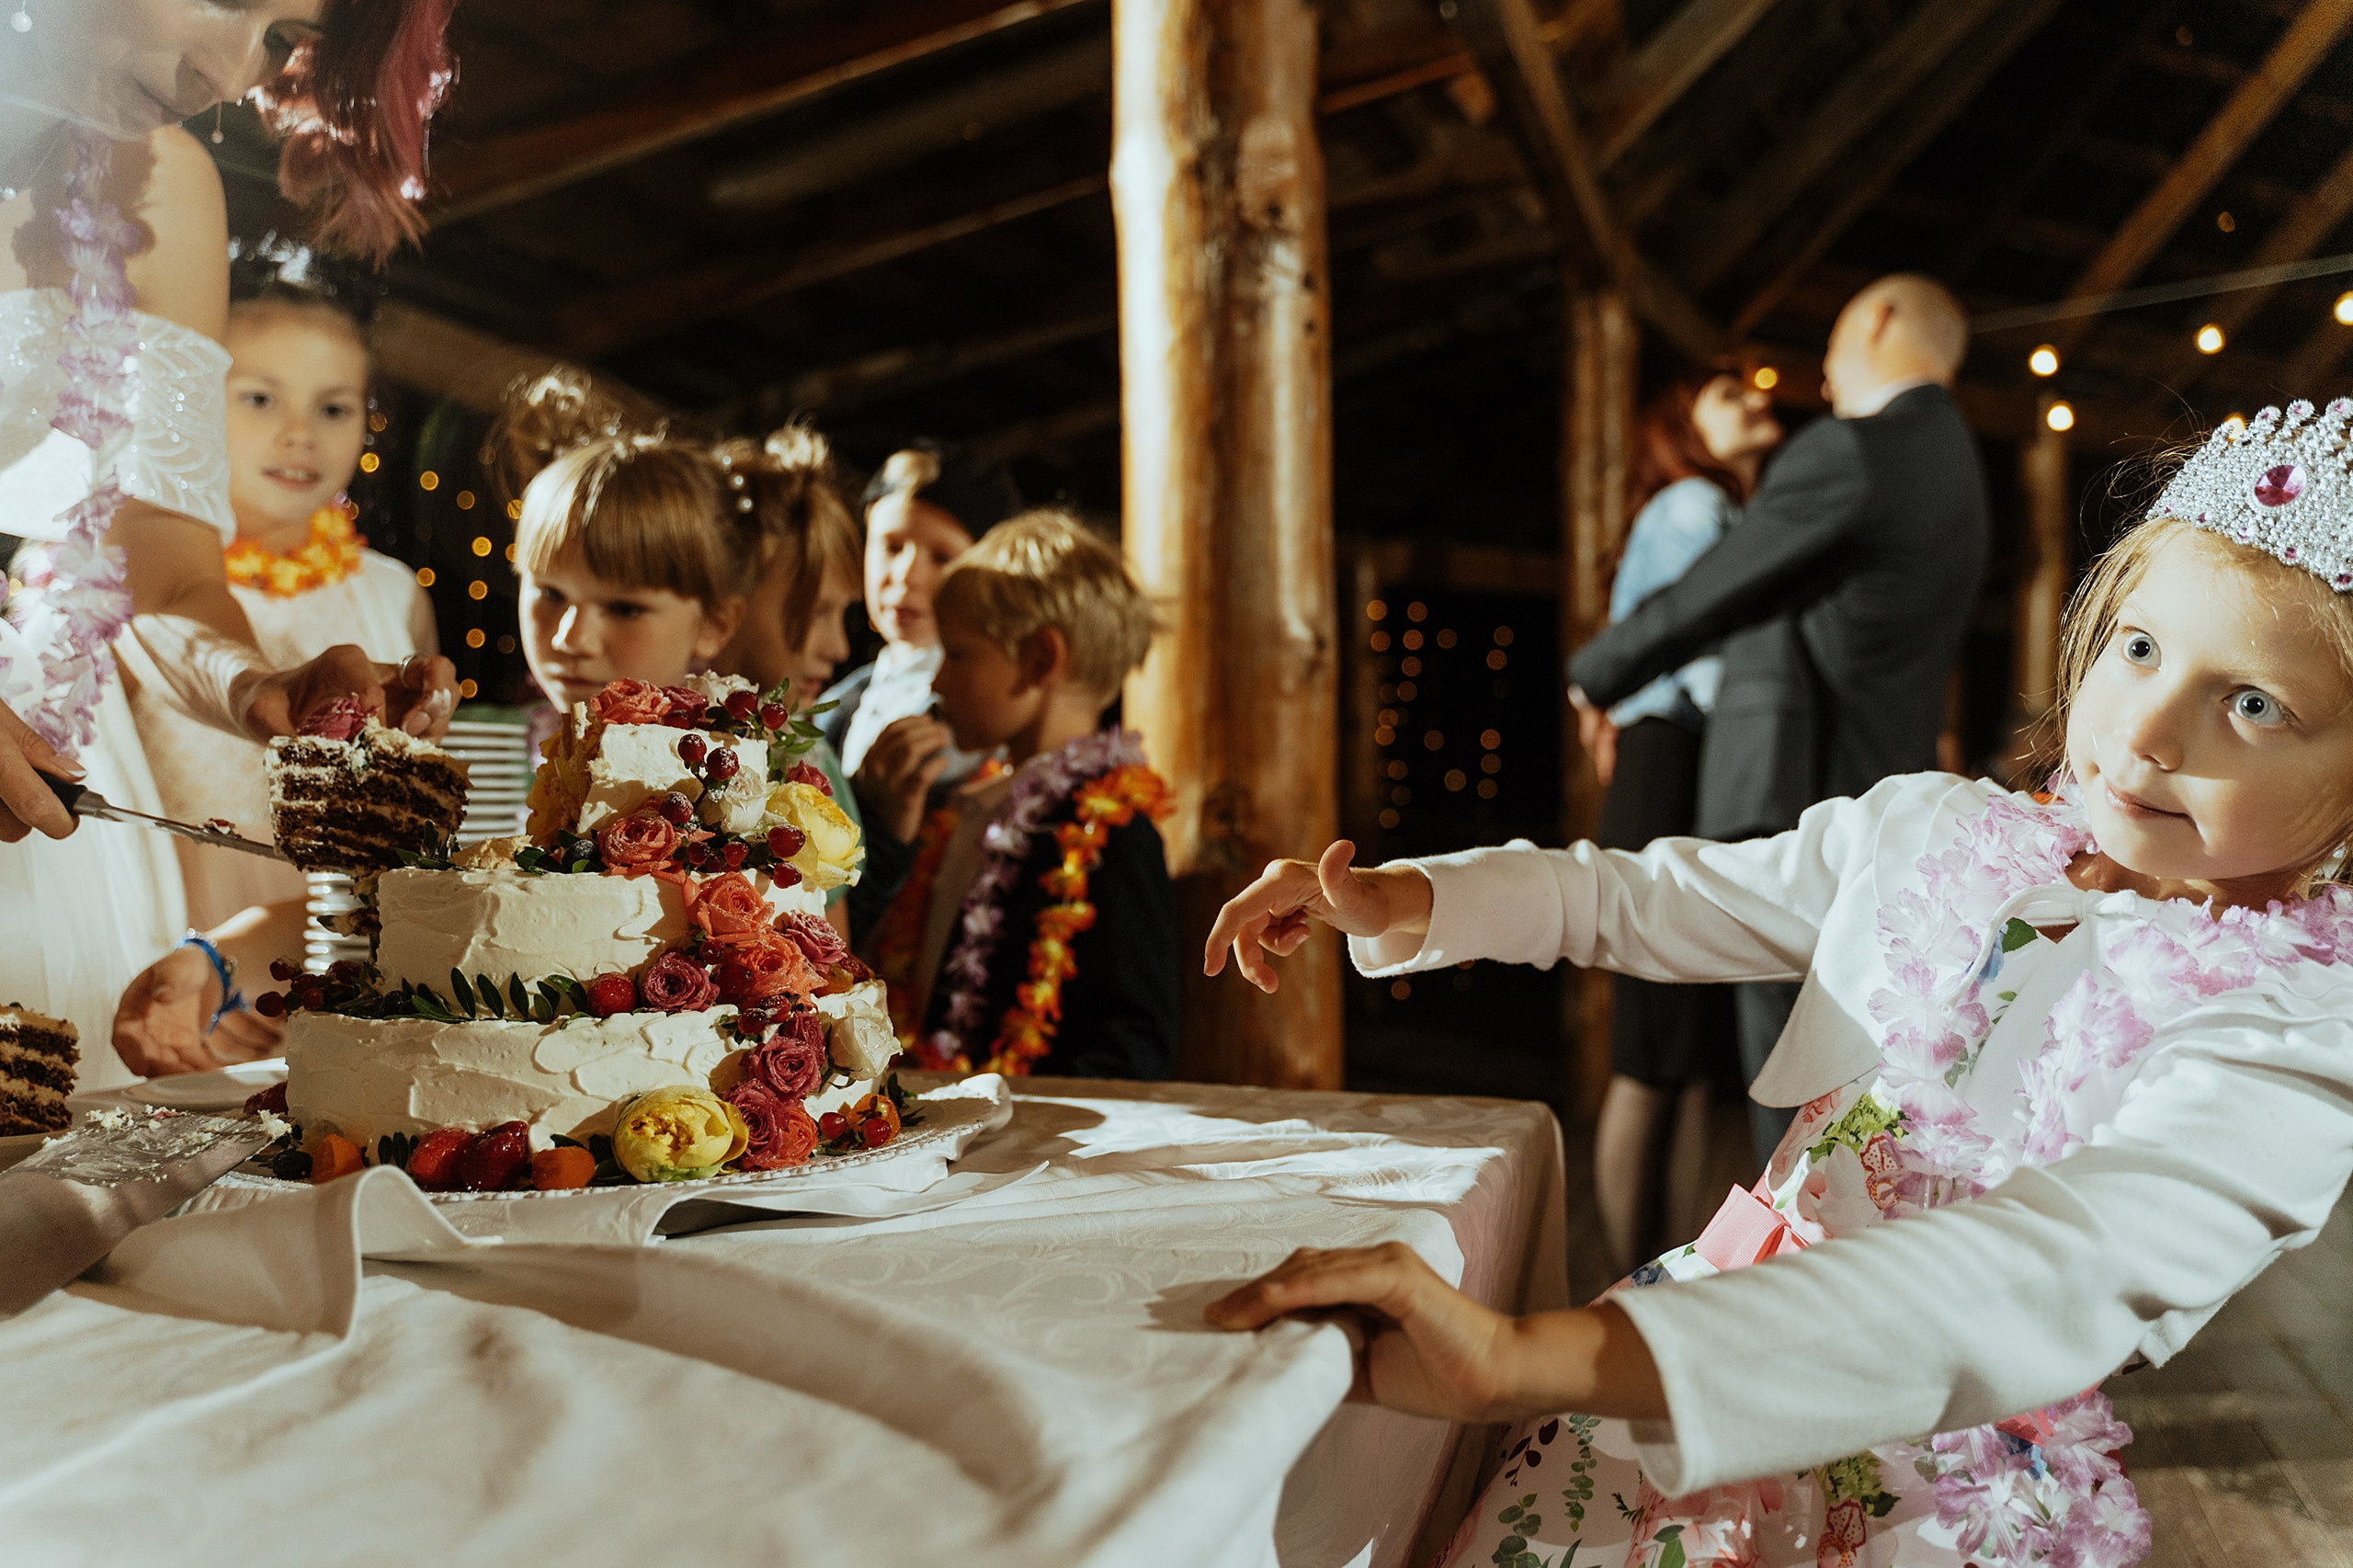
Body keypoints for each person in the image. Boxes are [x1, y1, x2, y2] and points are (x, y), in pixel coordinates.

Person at [1199, 402, 2353, 1565]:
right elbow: (1649, 897)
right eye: (2139, 648)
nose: (2147, 731)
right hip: (1676, 1367)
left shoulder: (2291, 1036)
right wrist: (1411, 898)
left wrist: (1520, 1358)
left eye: (2251, 703)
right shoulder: (1937, 829)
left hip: (1914, 1486)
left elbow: (2051, 1271)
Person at [0, 0, 459, 1081]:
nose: (230, 69)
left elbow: (153, 566)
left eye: (280, 36)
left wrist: (260, 689)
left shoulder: (163, 187)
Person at [1570, 274, 1989, 1166]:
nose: (1819, 373)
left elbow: (1717, 589)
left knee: (1789, 1081)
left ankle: (1790, 1245)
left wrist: (1596, 673)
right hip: (1881, 790)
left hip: (1793, 799)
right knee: (1838, 1078)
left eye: (1830, 341)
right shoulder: (1957, 465)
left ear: (1876, 319)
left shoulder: (1855, 448)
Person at [503, 379, 864, 937]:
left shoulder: (763, 770)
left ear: (716, 624)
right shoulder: (477, 749)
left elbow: (824, 958)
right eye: (550, 593)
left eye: (624, 608)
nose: (572, 638)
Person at [1589, 370, 1782, 1276]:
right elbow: (1696, 647)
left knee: (1682, 1058)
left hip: (1681, 763)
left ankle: (1665, 1279)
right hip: (1669, 764)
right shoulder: (1695, 504)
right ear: (1681, 427)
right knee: (1655, 1055)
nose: (1755, 401)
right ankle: (1630, 1284)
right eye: (1726, 394)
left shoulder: (1717, 508)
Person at [879, 508, 1176, 1080]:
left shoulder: (1106, 833)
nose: (937, 682)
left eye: (958, 655)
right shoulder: (969, 806)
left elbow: (1130, 1044)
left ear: (1040, 658)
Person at [818, 443, 1012, 943]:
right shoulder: (835, 702)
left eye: (941, 557)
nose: (906, 575)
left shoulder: (991, 714)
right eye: (890, 545)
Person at [706, 423, 867, 924]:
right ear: (729, 600)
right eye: (816, 612)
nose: (839, 647)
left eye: (842, 615)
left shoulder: (812, 764)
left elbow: (833, 949)